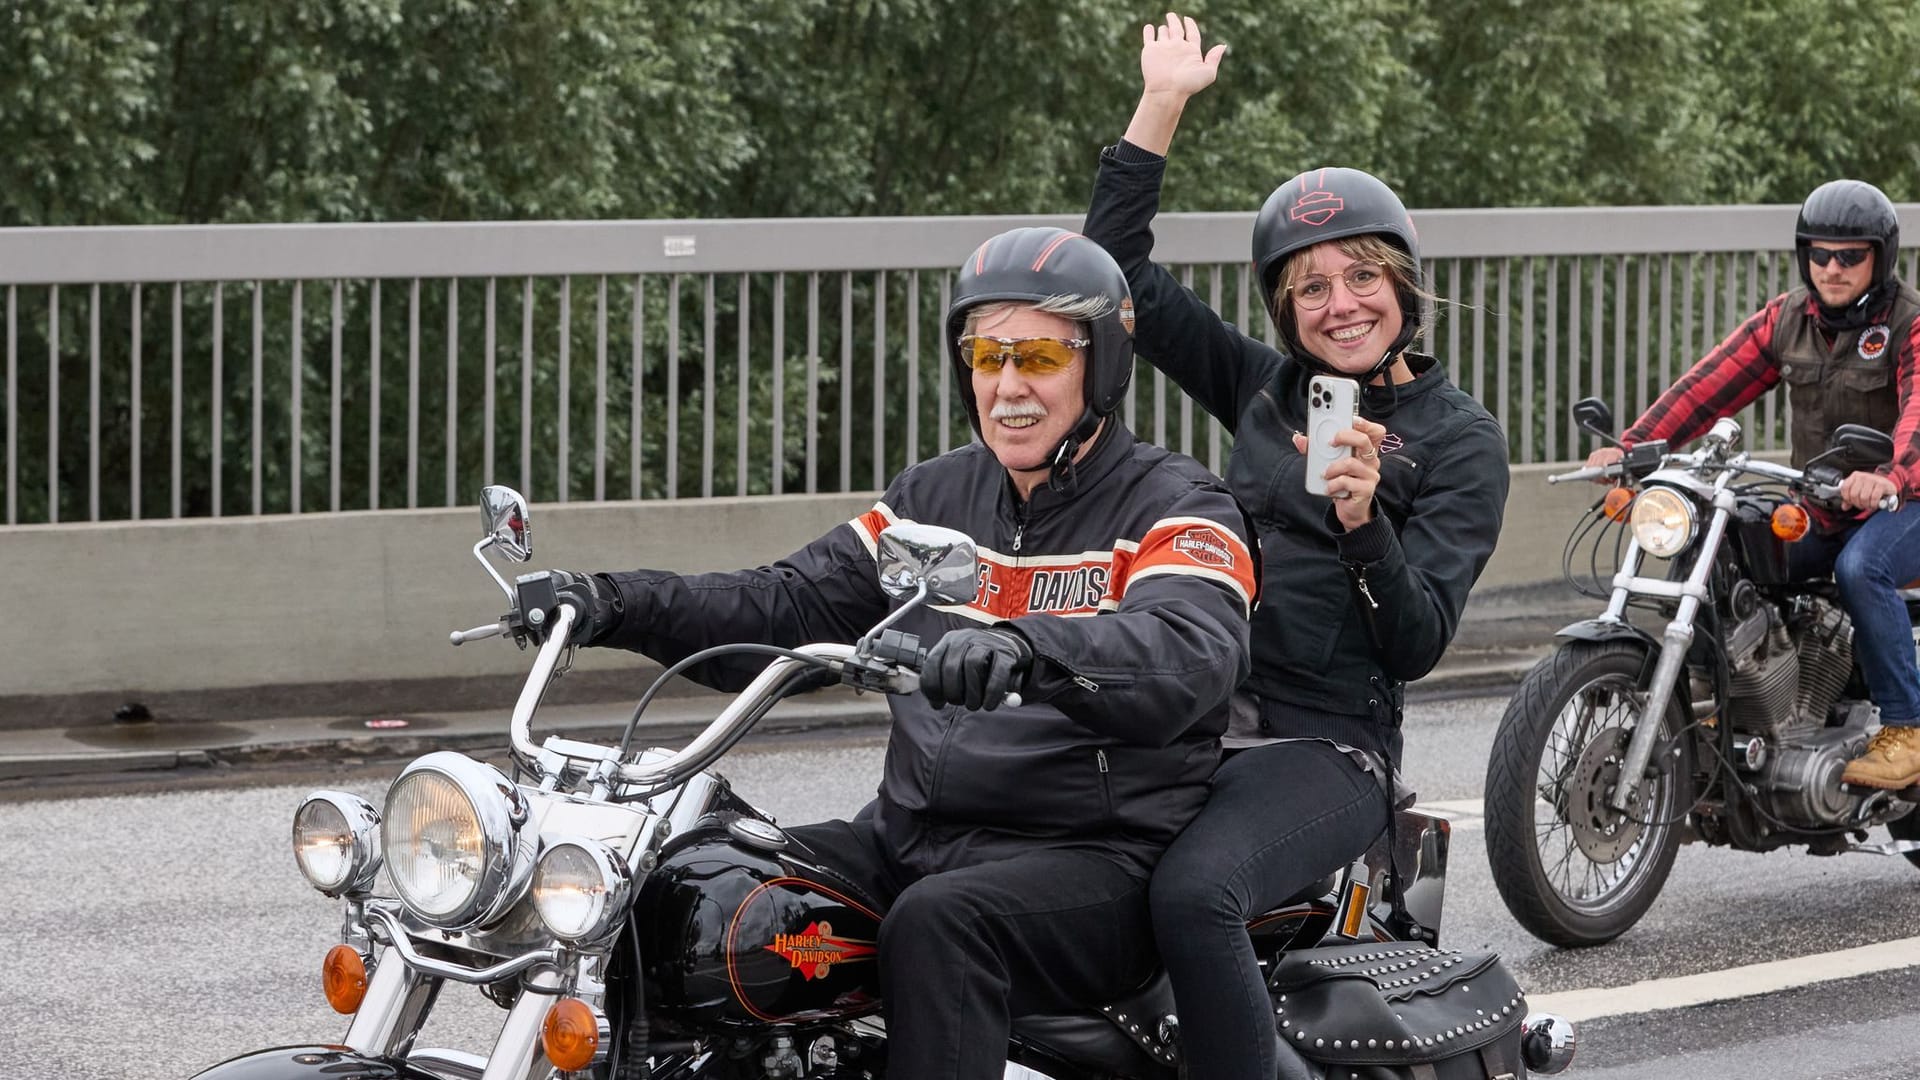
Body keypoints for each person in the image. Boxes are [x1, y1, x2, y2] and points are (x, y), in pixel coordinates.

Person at [542, 226, 1258, 1080]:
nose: (1007, 384)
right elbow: (784, 601)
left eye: (1037, 354)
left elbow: (1187, 650)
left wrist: (1027, 649)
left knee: (940, 923)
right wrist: (609, 600)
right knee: (693, 891)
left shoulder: (1177, 505)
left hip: (1096, 858)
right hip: (913, 836)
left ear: (1100, 364)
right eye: (985, 354)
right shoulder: (931, 499)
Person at [1080, 14, 1512, 1080]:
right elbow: (1115, 274)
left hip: (1329, 746)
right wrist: (1161, 106)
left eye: (1360, 277)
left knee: (1193, 893)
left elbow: (1414, 644)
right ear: (1286, 308)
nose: (1340, 304)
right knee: (1030, 839)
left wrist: (1365, 525)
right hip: (1198, 705)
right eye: (1310, 287)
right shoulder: (1265, 390)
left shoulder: (1460, 441)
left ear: (1402, 284)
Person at [1586, 178, 1920, 789]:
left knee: (1862, 568)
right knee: (1735, 548)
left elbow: (1919, 416)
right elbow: (1708, 386)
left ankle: (1905, 727)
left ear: (1881, 256)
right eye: (1820, 254)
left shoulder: (1908, 324)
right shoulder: (1788, 318)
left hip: (1904, 500)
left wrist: (1890, 476)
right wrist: (1633, 446)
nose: (1832, 268)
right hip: (1821, 500)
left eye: (1850, 256)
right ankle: (1734, 698)